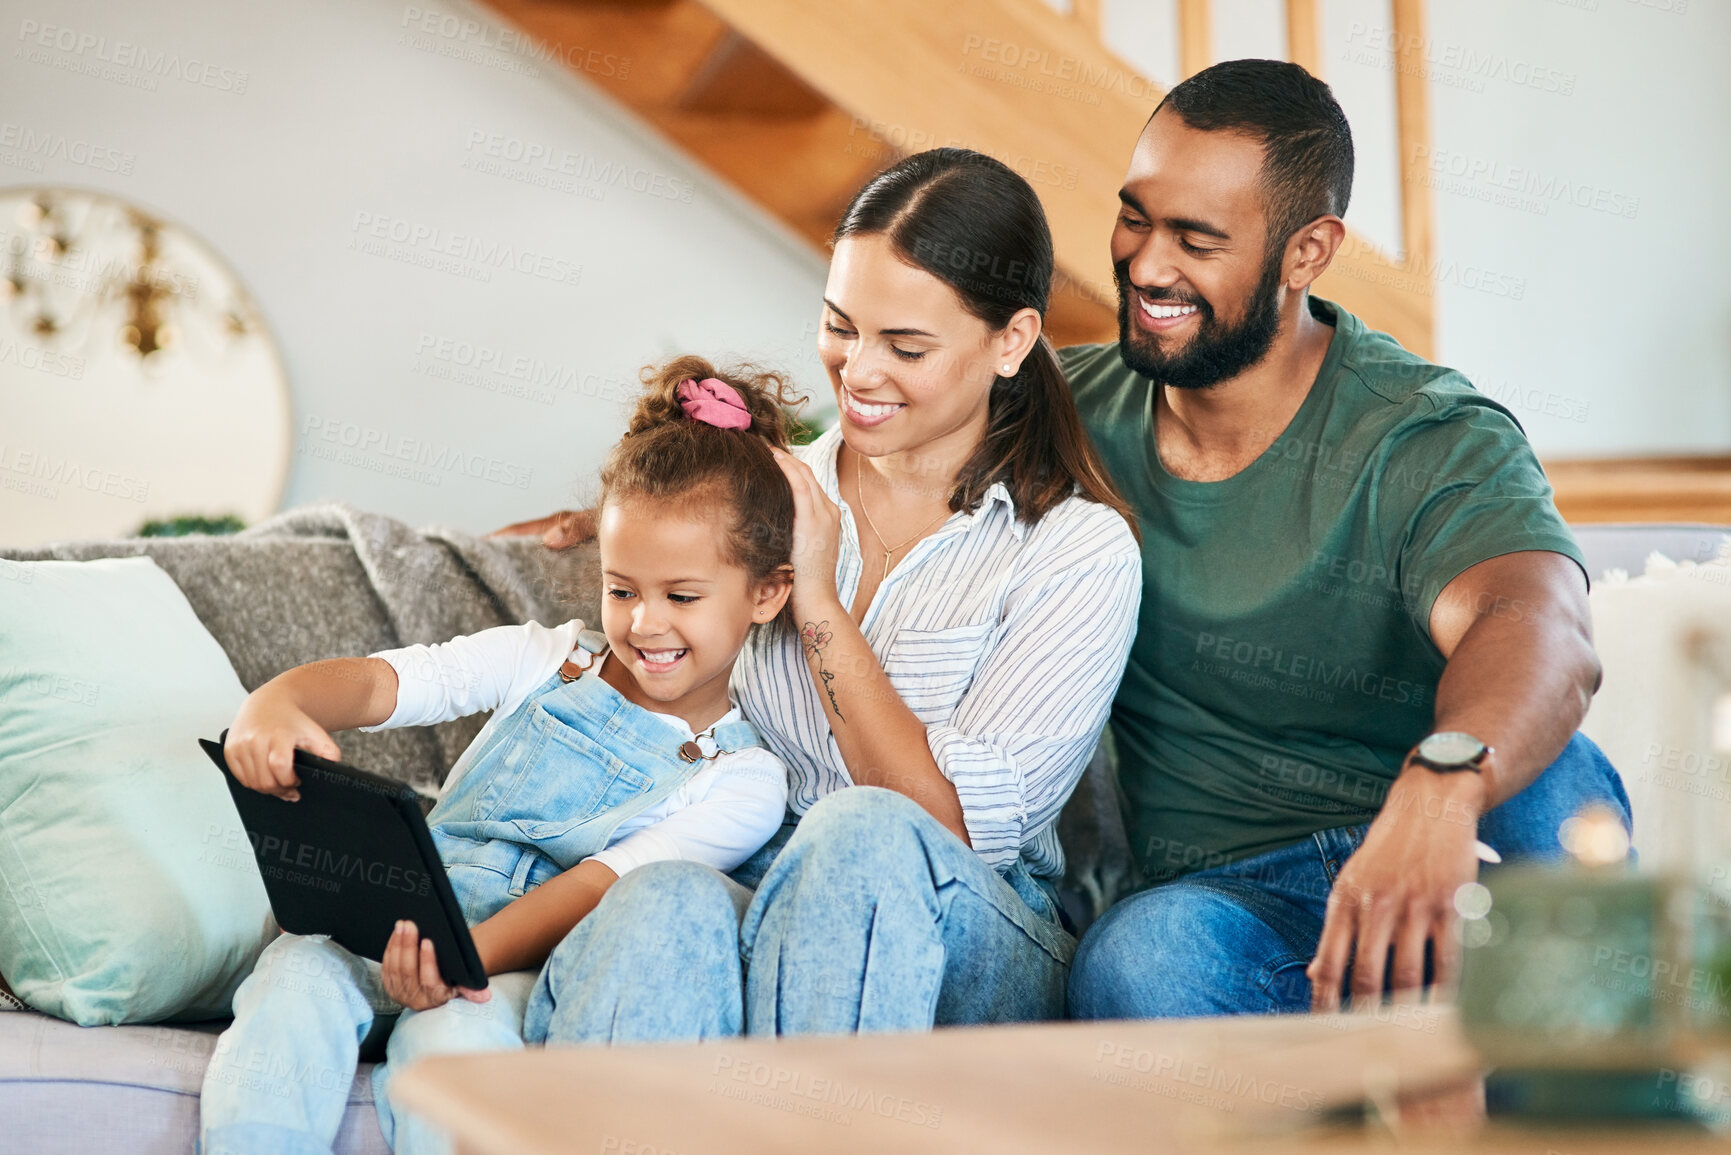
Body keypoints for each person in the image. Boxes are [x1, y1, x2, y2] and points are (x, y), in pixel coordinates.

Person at [504, 149, 1143, 1042]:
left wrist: (817, 600)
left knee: (861, 836)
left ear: (1012, 340)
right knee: (665, 896)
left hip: (967, 921)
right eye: (841, 325)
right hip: (755, 882)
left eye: (906, 346)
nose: (858, 371)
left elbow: (944, 829)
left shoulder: (1074, 551)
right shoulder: (755, 495)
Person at [1059, 59, 1630, 1018]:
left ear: (1305, 252)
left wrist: (1440, 783)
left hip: (1455, 858)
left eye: (1197, 239)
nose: (1148, 265)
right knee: (1137, 957)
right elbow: (864, 435)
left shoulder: (1423, 431)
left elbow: (1536, 624)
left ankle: (1605, 1103)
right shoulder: (1063, 415)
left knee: (1552, 782)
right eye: (1135, 217)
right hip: (1236, 911)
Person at [199, 359, 800, 1155]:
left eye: (681, 596)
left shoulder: (745, 779)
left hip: (502, 964)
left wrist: (456, 962)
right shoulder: (539, 657)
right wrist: (279, 701)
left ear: (767, 591)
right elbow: (388, 683)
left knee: (453, 1044)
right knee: (294, 973)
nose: (646, 621)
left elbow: (590, 892)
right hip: (389, 924)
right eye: (621, 590)